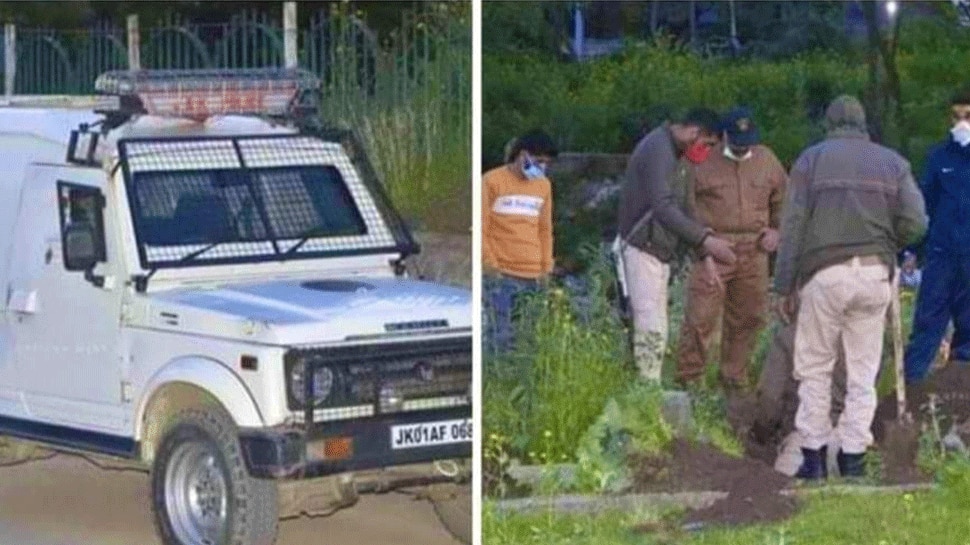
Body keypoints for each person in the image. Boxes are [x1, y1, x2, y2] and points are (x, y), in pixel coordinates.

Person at [773, 95, 927, 480]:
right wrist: (889, 244)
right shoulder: (893, 162)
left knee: (815, 367)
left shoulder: (811, 160)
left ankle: (813, 458)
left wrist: (783, 285)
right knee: (862, 371)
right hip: (875, 274)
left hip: (824, 274)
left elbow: (792, 227)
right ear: (864, 125)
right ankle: (854, 459)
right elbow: (918, 222)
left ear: (829, 124)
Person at [615, 108, 738, 382]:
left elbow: (687, 206)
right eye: (707, 144)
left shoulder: (679, 156)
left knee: (658, 328)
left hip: (659, 252)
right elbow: (664, 207)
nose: (706, 151)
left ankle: (649, 392)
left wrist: (703, 254)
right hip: (641, 249)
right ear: (695, 132)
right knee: (650, 330)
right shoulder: (658, 149)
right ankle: (646, 396)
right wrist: (706, 240)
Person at [675, 107, 787, 391]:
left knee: (749, 318)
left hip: (754, 250)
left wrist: (777, 230)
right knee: (700, 318)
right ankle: (689, 381)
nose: (742, 149)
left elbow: (785, 201)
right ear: (724, 135)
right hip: (714, 247)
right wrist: (701, 243)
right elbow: (684, 207)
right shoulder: (700, 161)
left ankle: (734, 381)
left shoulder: (767, 160)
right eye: (737, 142)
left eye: (747, 142)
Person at [904, 89, 970, 385]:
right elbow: (923, 208)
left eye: (967, 116)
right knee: (927, 328)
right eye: (956, 117)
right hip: (942, 256)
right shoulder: (938, 157)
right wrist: (912, 251)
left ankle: (962, 399)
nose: (961, 123)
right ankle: (908, 397)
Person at [482, 129, 558, 355]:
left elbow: (545, 229)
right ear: (523, 155)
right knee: (501, 336)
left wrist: (546, 267)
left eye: (546, 163)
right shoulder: (491, 181)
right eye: (539, 161)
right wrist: (490, 264)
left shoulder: (543, 186)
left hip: (533, 273)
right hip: (502, 272)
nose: (542, 167)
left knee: (528, 338)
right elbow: (482, 227)